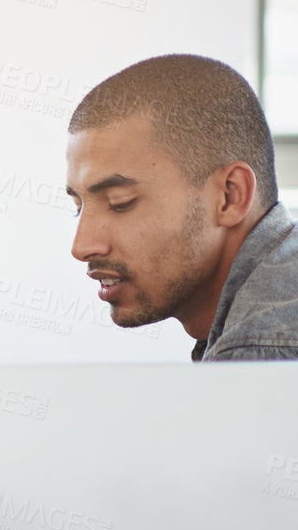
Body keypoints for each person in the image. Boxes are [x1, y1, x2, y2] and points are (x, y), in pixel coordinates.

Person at [67, 54, 298, 360]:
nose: (81, 247)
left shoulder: (258, 353)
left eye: (119, 203)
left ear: (230, 196)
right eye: (78, 206)